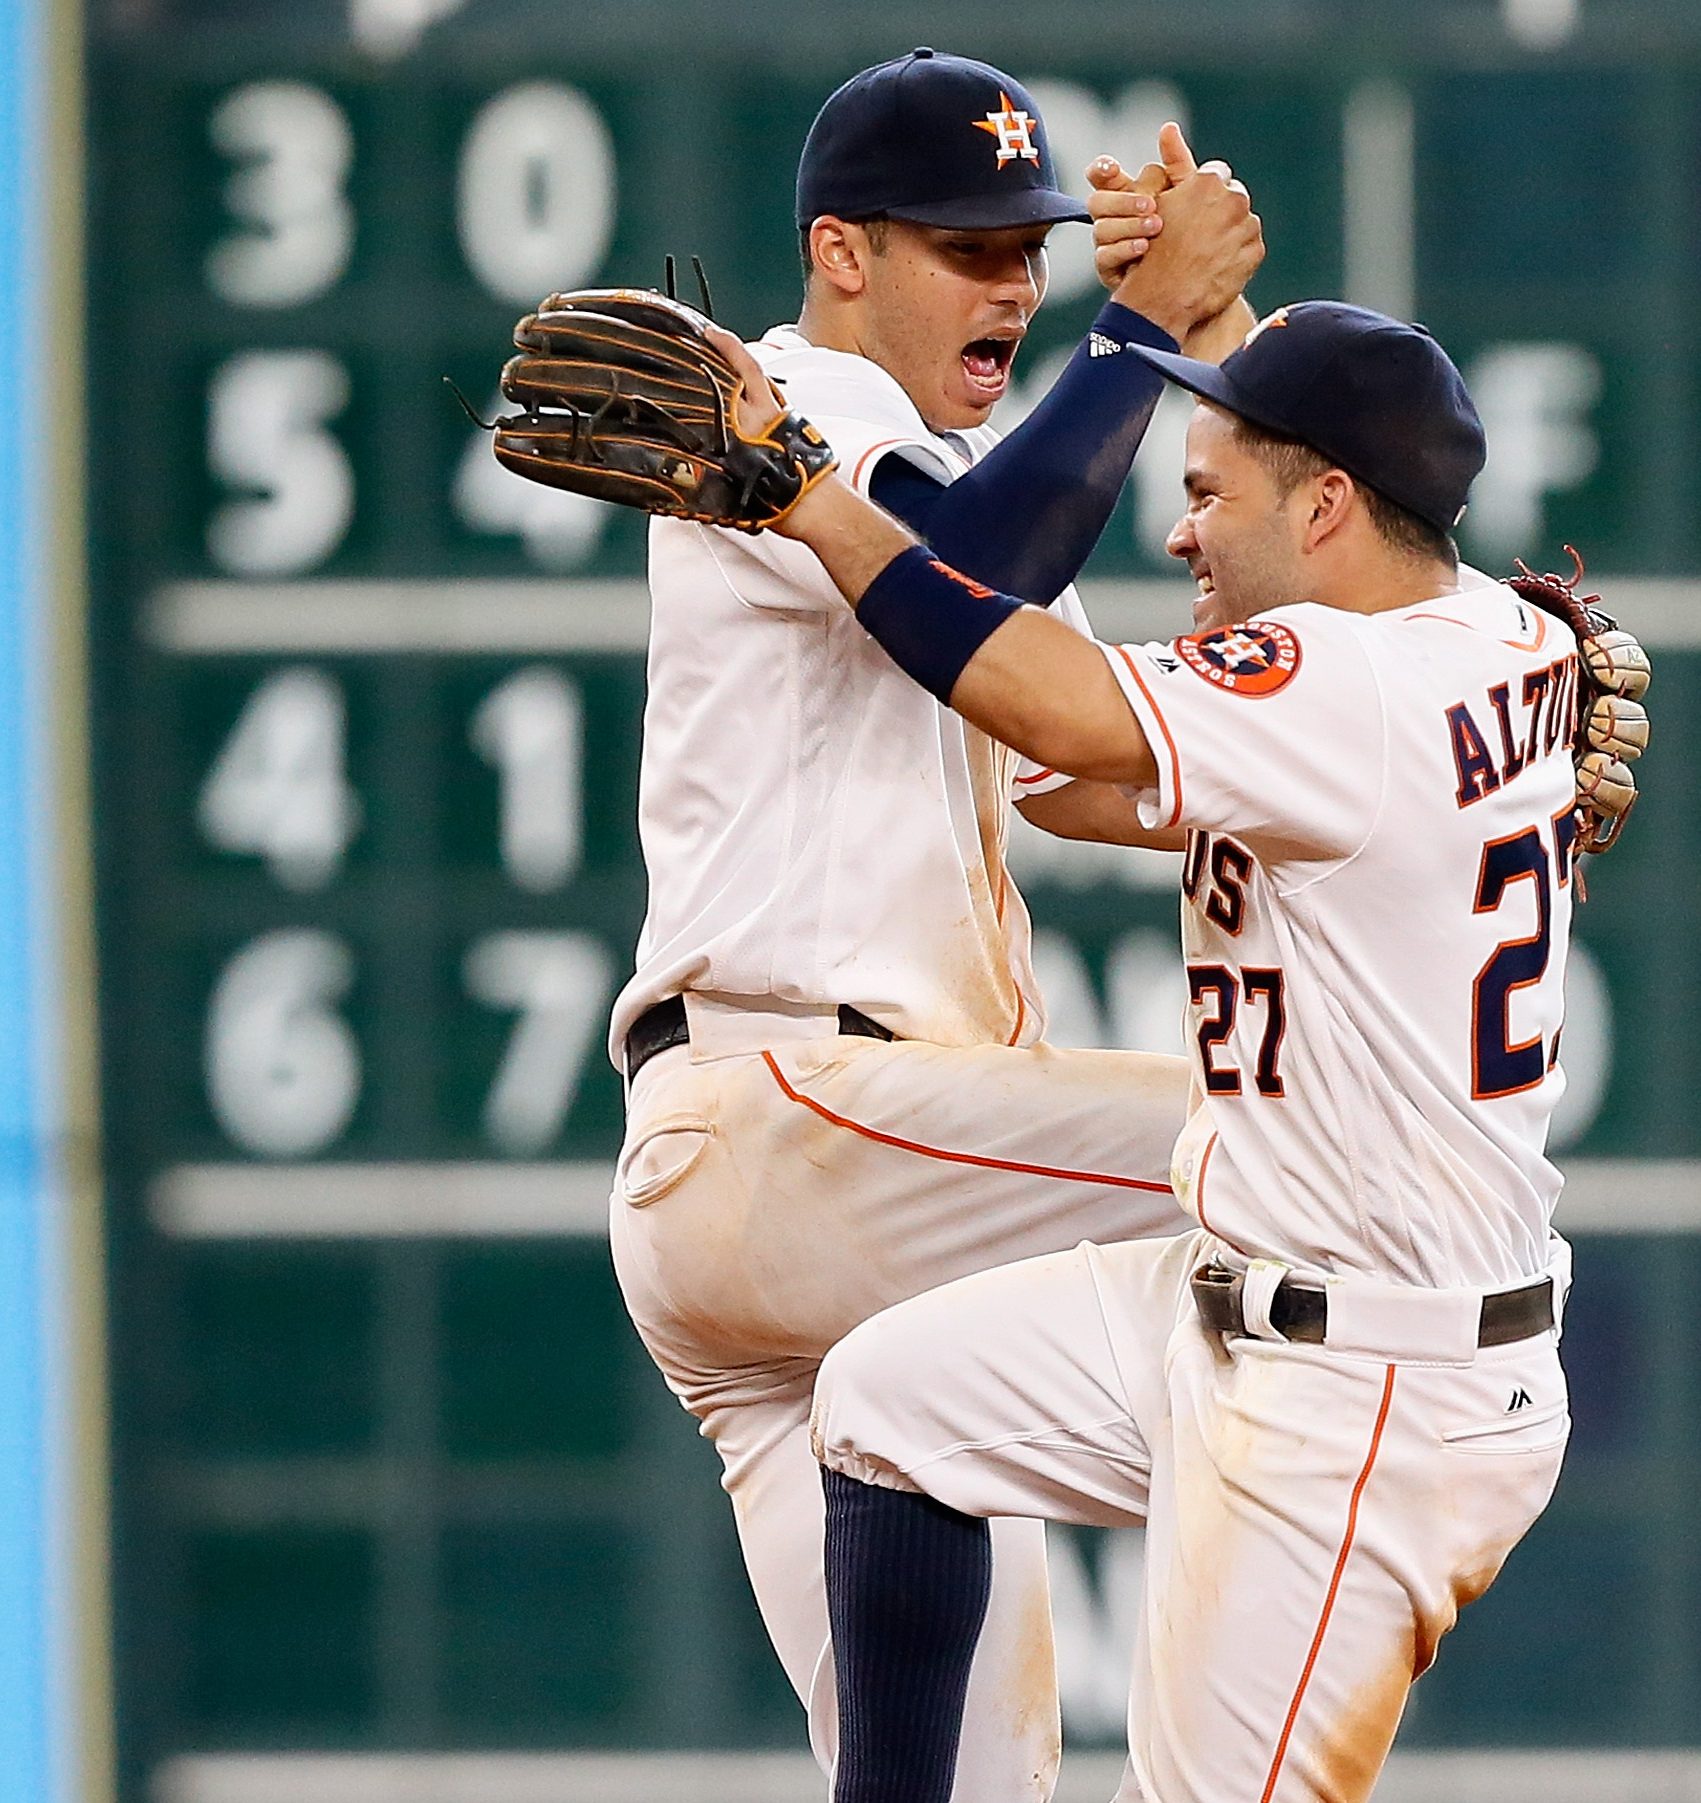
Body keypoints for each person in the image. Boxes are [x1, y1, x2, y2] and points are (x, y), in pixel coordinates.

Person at [708, 300, 1629, 1803]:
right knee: (884, 1407)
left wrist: (820, 503)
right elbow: (1072, 779)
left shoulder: (1351, 688)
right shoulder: (1496, 639)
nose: (1184, 533)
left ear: (1328, 504)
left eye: (1209, 493)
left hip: (1365, 1399)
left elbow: (1057, 723)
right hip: (1244, 1311)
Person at [602, 46, 1262, 1801]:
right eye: (965, 247)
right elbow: (990, 560)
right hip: (797, 1122)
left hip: (808, 1235)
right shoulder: (779, 405)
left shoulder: (898, 447)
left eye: (1027, 244)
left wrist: (1216, 329)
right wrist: (1146, 338)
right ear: (839, 253)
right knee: (1299, 1148)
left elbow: (1050, 666)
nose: (1013, 281)